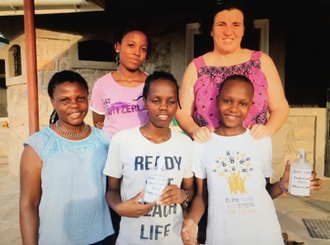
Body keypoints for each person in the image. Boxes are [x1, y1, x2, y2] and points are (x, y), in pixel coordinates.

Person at [181, 75, 323, 245]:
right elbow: (202, 196)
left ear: (250, 106)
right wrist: (192, 221)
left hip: (264, 235)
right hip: (222, 236)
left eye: (242, 103)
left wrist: (283, 185)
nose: (234, 108)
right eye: (227, 100)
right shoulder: (203, 143)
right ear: (217, 100)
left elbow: (264, 191)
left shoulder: (261, 140)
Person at [19, 70, 114, 245]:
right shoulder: (38, 145)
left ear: (88, 99)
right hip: (56, 239)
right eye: (65, 100)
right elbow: (28, 204)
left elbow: (113, 187)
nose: (75, 105)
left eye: (80, 98)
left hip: (102, 236)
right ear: (53, 103)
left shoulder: (103, 139)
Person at [175, 2, 289, 143]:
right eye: (221, 24)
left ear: (243, 30)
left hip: (253, 149)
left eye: (236, 25)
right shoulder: (196, 67)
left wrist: (269, 129)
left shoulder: (262, 62)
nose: (228, 31)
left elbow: (280, 107)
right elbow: (182, 112)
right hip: (207, 151)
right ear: (211, 30)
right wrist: (195, 130)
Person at [103, 71, 195, 244]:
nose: (163, 107)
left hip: (172, 239)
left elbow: (191, 189)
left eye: (171, 101)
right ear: (145, 102)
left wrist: (183, 195)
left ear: (177, 105)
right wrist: (119, 208)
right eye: (156, 100)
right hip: (131, 239)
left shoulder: (185, 144)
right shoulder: (123, 140)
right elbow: (111, 190)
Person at [90, 24, 151, 137]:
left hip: (143, 151)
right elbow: (99, 125)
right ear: (117, 46)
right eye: (131, 45)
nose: (137, 53)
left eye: (143, 49)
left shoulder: (152, 84)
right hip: (112, 151)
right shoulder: (102, 84)